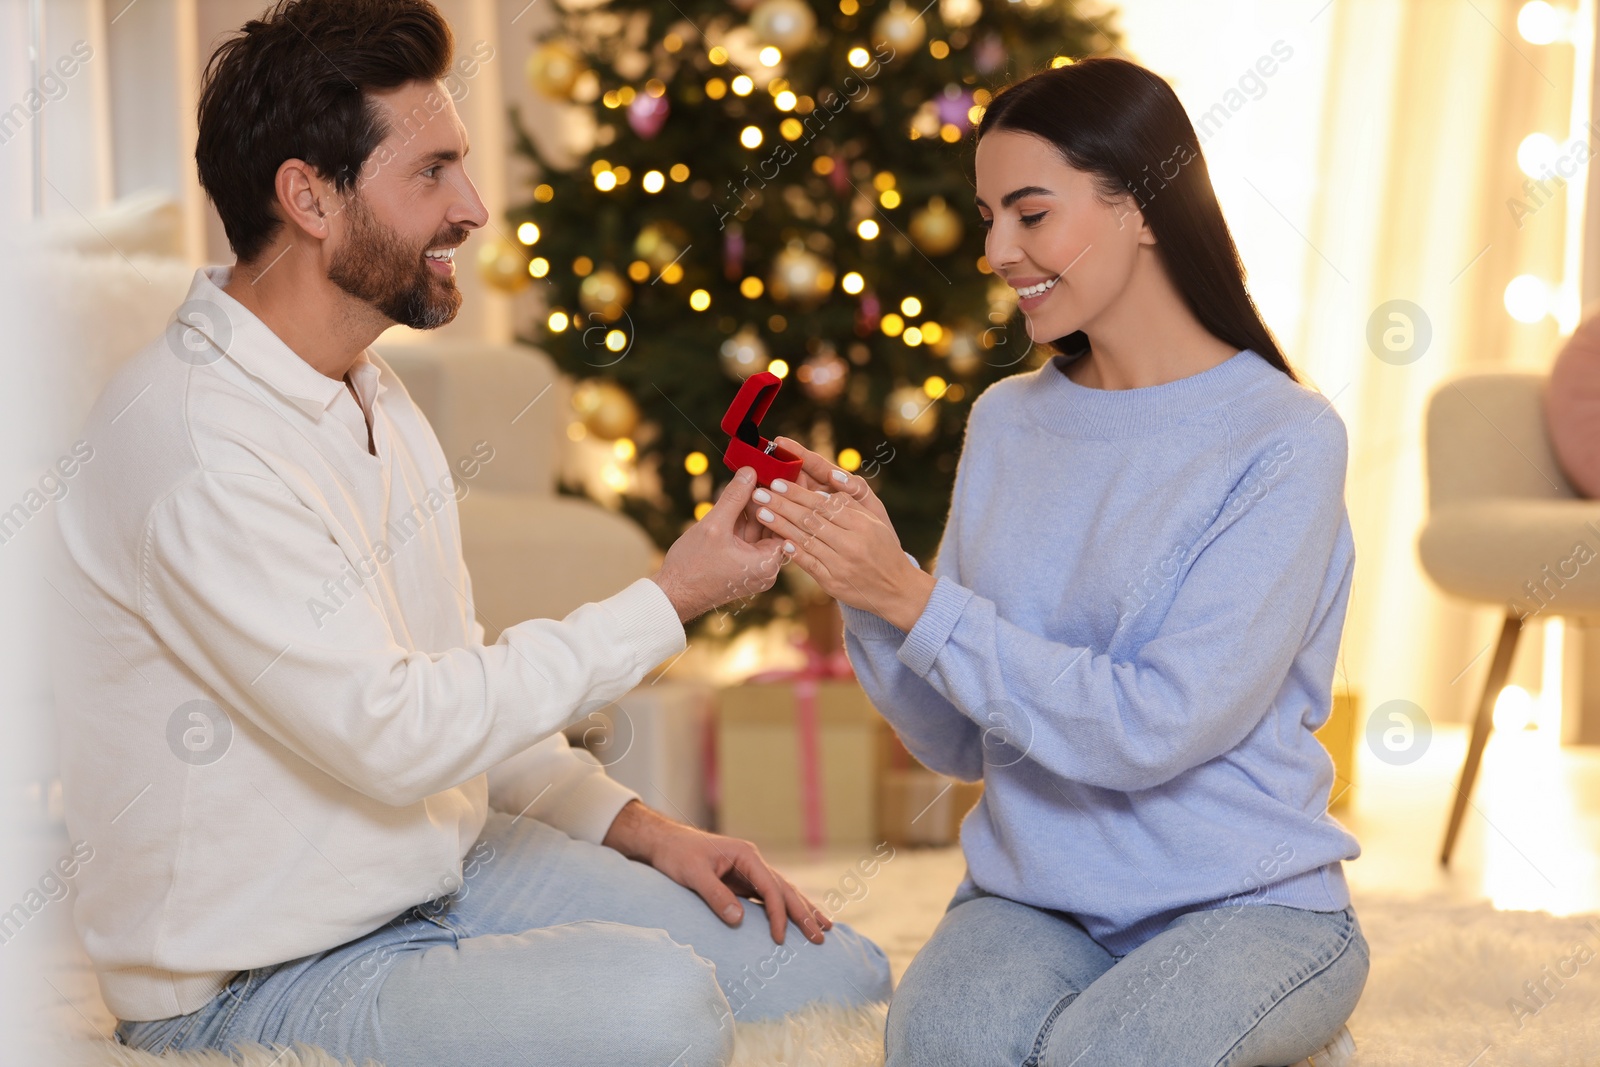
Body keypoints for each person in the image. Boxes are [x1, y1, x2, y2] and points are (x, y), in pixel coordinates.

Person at [48, 2, 889, 1064]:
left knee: (834, 970)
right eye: (432, 173)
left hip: (443, 868)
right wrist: (669, 597)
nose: (475, 208)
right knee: (663, 1011)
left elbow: (455, 681)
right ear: (308, 195)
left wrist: (643, 829)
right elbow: (397, 733)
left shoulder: (371, 391)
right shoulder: (192, 447)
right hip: (259, 973)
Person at [750, 57, 1368, 1067]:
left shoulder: (1283, 439)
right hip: (1035, 900)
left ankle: (1279, 1022)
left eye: (1029, 214)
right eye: (987, 215)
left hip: (1249, 905)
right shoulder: (1007, 420)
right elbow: (957, 739)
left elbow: (1154, 723)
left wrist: (915, 598)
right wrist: (869, 588)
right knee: (940, 1049)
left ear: (1149, 207)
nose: (995, 250)